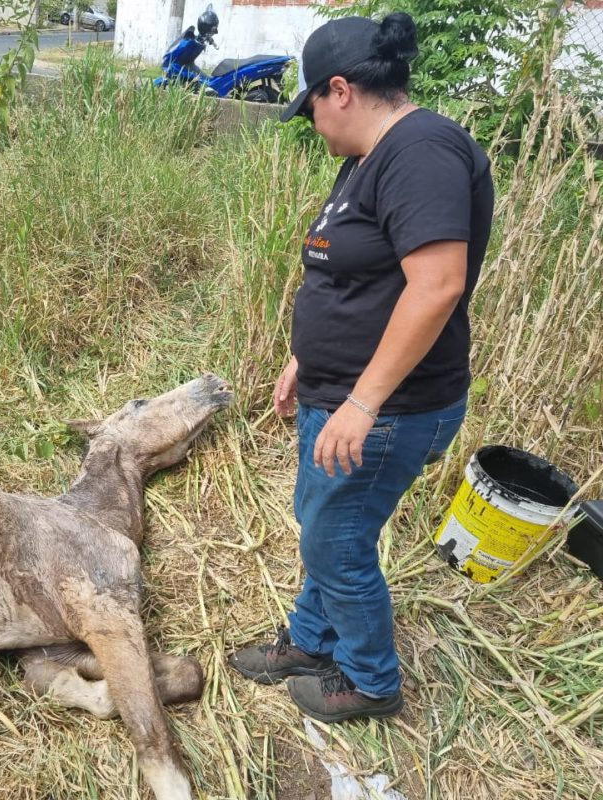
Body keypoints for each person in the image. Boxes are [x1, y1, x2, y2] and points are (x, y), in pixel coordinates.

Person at [229, 12, 494, 722]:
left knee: (337, 541)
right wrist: (301, 358)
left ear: (339, 90)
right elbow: (355, 279)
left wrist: (362, 402)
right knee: (323, 524)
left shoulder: (422, 152)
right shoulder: (370, 159)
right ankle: (312, 641)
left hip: (388, 408)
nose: (311, 123)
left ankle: (371, 681)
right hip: (339, 392)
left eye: (310, 106)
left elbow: (436, 284)